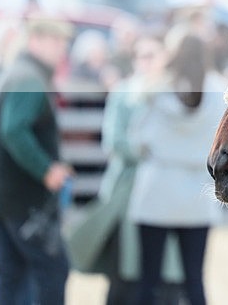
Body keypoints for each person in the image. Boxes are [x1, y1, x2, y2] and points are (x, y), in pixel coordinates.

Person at [65, 34, 184, 304]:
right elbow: (114, 140)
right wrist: (146, 151)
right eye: (142, 56)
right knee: (124, 271)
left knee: (166, 269)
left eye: (153, 55)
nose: (147, 62)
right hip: (127, 193)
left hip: (165, 193)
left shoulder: (174, 93)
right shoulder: (124, 92)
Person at [0, 15, 74, 305]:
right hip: (25, 201)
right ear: (35, 40)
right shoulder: (30, 78)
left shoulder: (18, 72)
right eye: (55, 40)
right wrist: (46, 168)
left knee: (11, 276)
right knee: (53, 270)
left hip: (3, 197)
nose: (62, 48)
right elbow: (14, 130)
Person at [127, 29, 224, 305]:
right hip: (197, 193)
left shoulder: (155, 86)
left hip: (157, 187)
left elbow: (137, 139)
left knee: (149, 279)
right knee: (194, 279)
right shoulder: (217, 88)